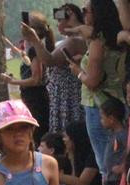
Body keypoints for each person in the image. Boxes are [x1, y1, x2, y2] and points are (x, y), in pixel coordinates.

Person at [78, 0, 127, 185]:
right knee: (115, 163)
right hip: (116, 103)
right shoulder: (117, 38)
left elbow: (93, 81)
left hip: (98, 106)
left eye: (86, 11)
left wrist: (77, 71)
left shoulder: (98, 43)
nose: (83, 14)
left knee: (105, 166)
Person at [23, 4, 86, 134]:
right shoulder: (70, 39)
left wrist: (34, 40)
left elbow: (49, 60)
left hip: (69, 95)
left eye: (60, 20)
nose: (57, 25)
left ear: (70, 18)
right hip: (62, 95)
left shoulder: (74, 40)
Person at [5, 13, 52, 144]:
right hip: (34, 96)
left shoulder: (35, 50)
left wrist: (13, 81)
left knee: (38, 135)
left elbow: (36, 79)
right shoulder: (35, 47)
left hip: (36, 98)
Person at [59, 119, 104, 185]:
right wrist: (72, 157)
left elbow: (81, 184)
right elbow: (74, 183)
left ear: (75, 138)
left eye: (66, 137)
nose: (64, 140)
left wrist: (55, 175)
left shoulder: (93, 154)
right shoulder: (77, 154)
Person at [98, 96, 127, 185]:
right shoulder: (113, 134)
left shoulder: (122, 135)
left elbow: (128, 151)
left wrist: (122, 167)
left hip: (117, 179)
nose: (101, 121)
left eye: (102, 118)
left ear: (111, 119)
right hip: (110, 178)